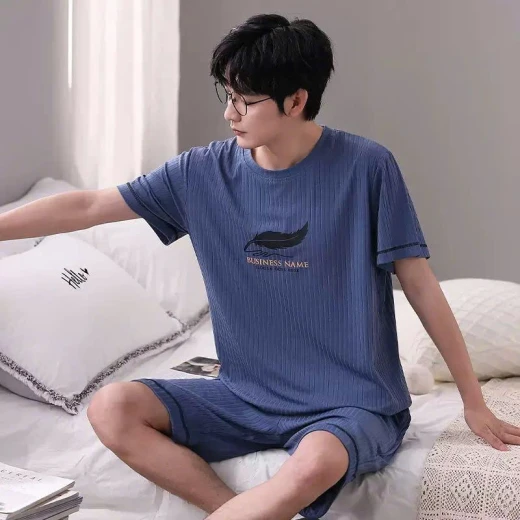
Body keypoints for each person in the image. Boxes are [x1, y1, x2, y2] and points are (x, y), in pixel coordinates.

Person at [1, 13, 519, 520]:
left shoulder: (367, 167)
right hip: (244, 395)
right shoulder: (200, 173)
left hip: (349, 405)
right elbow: (89, 205)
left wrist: (473, 402)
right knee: (111, 408)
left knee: (315, 462)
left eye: (246, 100)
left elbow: (420, 285)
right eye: (227, 95)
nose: (230, 113)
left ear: (296, 101)